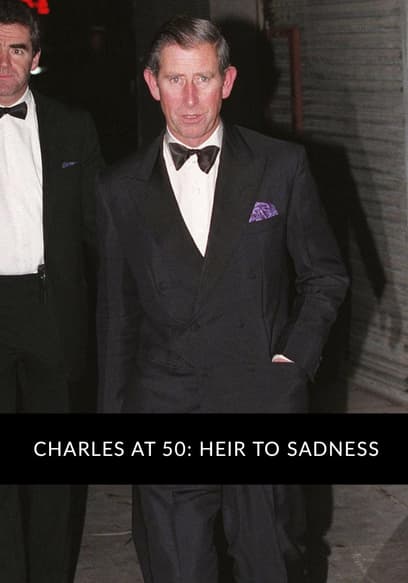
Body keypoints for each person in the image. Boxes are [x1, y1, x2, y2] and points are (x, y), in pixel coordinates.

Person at [97, 15, 349, 583]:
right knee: (176, 568)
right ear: (152, 83)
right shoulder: (118, 188)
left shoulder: (281, 166)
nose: (190, 99)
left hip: (260, 401)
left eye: (203, 78)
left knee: (272, 563)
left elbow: (325, 276)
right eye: (175, 79)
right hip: (165, 407)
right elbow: (117, 315)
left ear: (228, 81)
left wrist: (293, 361)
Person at [0, 1, 103, 582]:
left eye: (16, 49)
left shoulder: (72, 125)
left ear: (35, 57)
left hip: (51, 308)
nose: (3, 63)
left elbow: (99, 228)